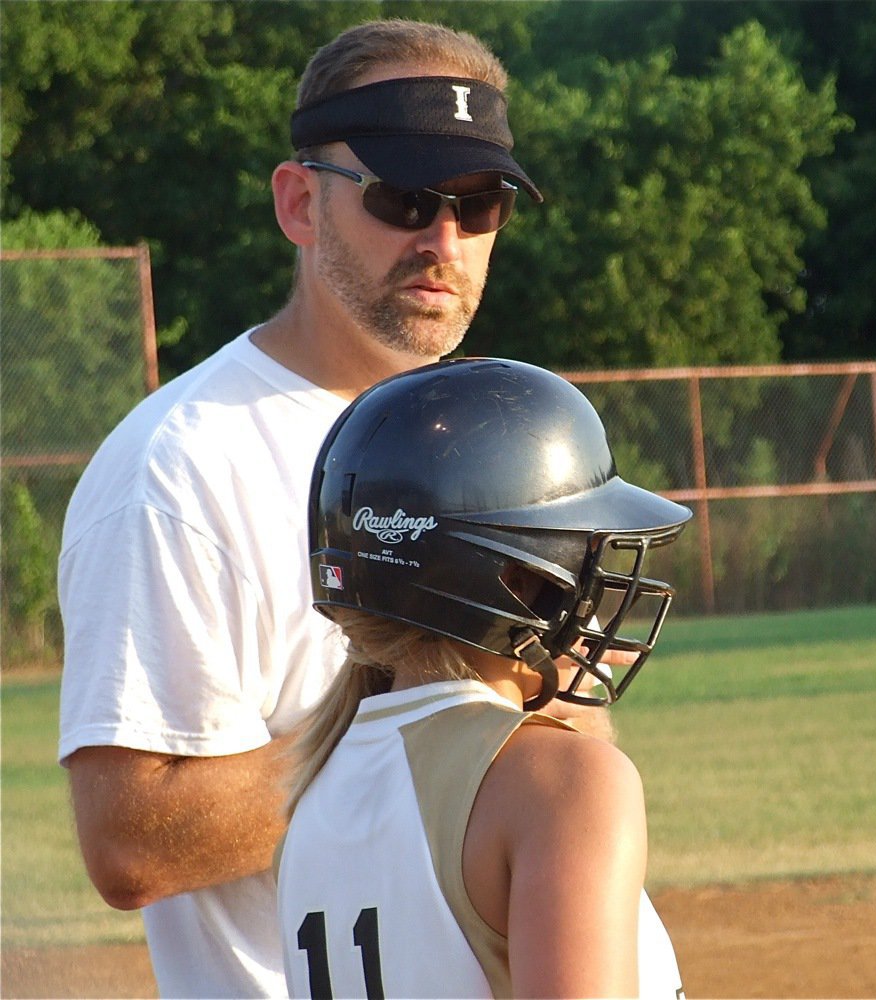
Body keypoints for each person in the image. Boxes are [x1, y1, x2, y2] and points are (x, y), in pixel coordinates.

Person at [57, 19, 547, 999]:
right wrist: (455, 716)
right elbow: (130, 841)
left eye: (478, 203)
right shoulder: (182, 466)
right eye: (402, 196)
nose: (443, 240)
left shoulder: (494, 442)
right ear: (299, 202)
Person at [277, 357, 691, 998]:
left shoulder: (313, 801)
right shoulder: (561, 784)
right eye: (583, 556)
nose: (592, 600)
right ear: (519, 576)